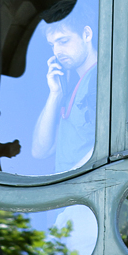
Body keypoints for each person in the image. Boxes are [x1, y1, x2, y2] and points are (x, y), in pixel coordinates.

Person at [31, 17, 97, 172]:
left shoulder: (102, 79)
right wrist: (55, 94)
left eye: (63, 41)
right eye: (52, 45)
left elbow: (112, 146)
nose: (56, 52)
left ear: (86, 34)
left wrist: (67, 183)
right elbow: (40, 151)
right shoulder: (71, 88)